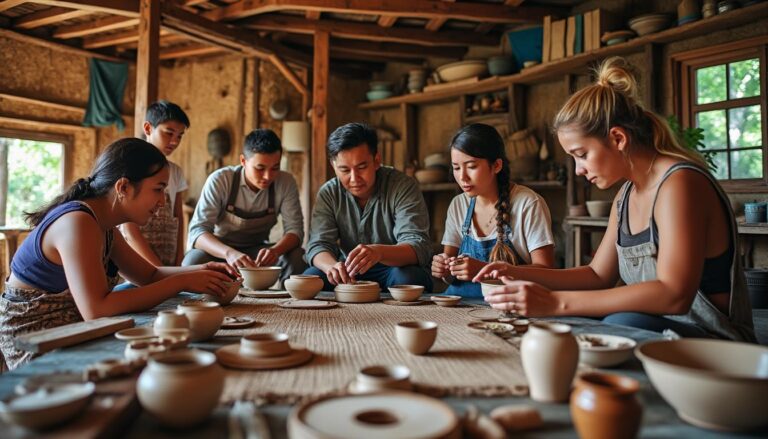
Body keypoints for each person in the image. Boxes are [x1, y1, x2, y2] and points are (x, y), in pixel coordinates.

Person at [474, 57, 755, 341]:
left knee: (616, 320)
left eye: (581, 154)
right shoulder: (625, 196)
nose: (578, 169)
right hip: (662, 328)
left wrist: (555, 302)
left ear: (618, 138)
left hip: (715, 339)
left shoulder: (680, 183)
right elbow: (597, 276)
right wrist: (518, 273)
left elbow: (673, 295)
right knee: (563, 325)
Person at [0, 138, 236, 370]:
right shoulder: (78, 222)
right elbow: (96, 310)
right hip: (35, 340)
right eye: (158, 189)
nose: (163, 201)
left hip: (74, 327)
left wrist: (200, 271)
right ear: (123, 187)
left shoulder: (104, 226)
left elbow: (149, 275)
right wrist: (182, 281)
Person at [304, 122, 433, 292]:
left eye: (362, 167)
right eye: (344, 170)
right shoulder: (329, 192)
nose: (354, 178)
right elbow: (318, 245)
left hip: (392, 269)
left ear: (376, 160)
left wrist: (379, 252)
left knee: (408, 279)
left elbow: (418, 246)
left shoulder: (403, 186)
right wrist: (332, 267)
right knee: (311, 278)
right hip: (348, 271)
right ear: (333, 166)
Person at [431, 124, 555, 297]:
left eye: (471, 166)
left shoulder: (528, 203)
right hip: (459, 302)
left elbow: (547, 273)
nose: (462, 177)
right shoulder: (458, 205)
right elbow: (450, 274)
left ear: (496, 165)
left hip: (508, 303)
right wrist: (443, 269)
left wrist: (484, 270)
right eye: (456, 168)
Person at [183, 128, 306, 286]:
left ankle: (287, 304)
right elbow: (197, 232)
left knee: (297, 256)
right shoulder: (220, 180)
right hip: (221, 250)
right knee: (193, 261)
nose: (268, 176)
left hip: (257, 252)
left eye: (275, 168)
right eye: (260, 168)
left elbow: (295, 231)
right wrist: (229, 253)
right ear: (243, 161)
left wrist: (275, 251)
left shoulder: (286, 182)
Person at [121, 101, 189, 269]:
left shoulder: (176, 172)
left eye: (179, 136)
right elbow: (128, 228)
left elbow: (179, 217)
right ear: (148, 128)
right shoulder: (130, 166)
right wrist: (158, 270)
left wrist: (178, 263)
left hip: (167, 260)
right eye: (169, 133)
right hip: (135, 264)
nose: (174, 141)